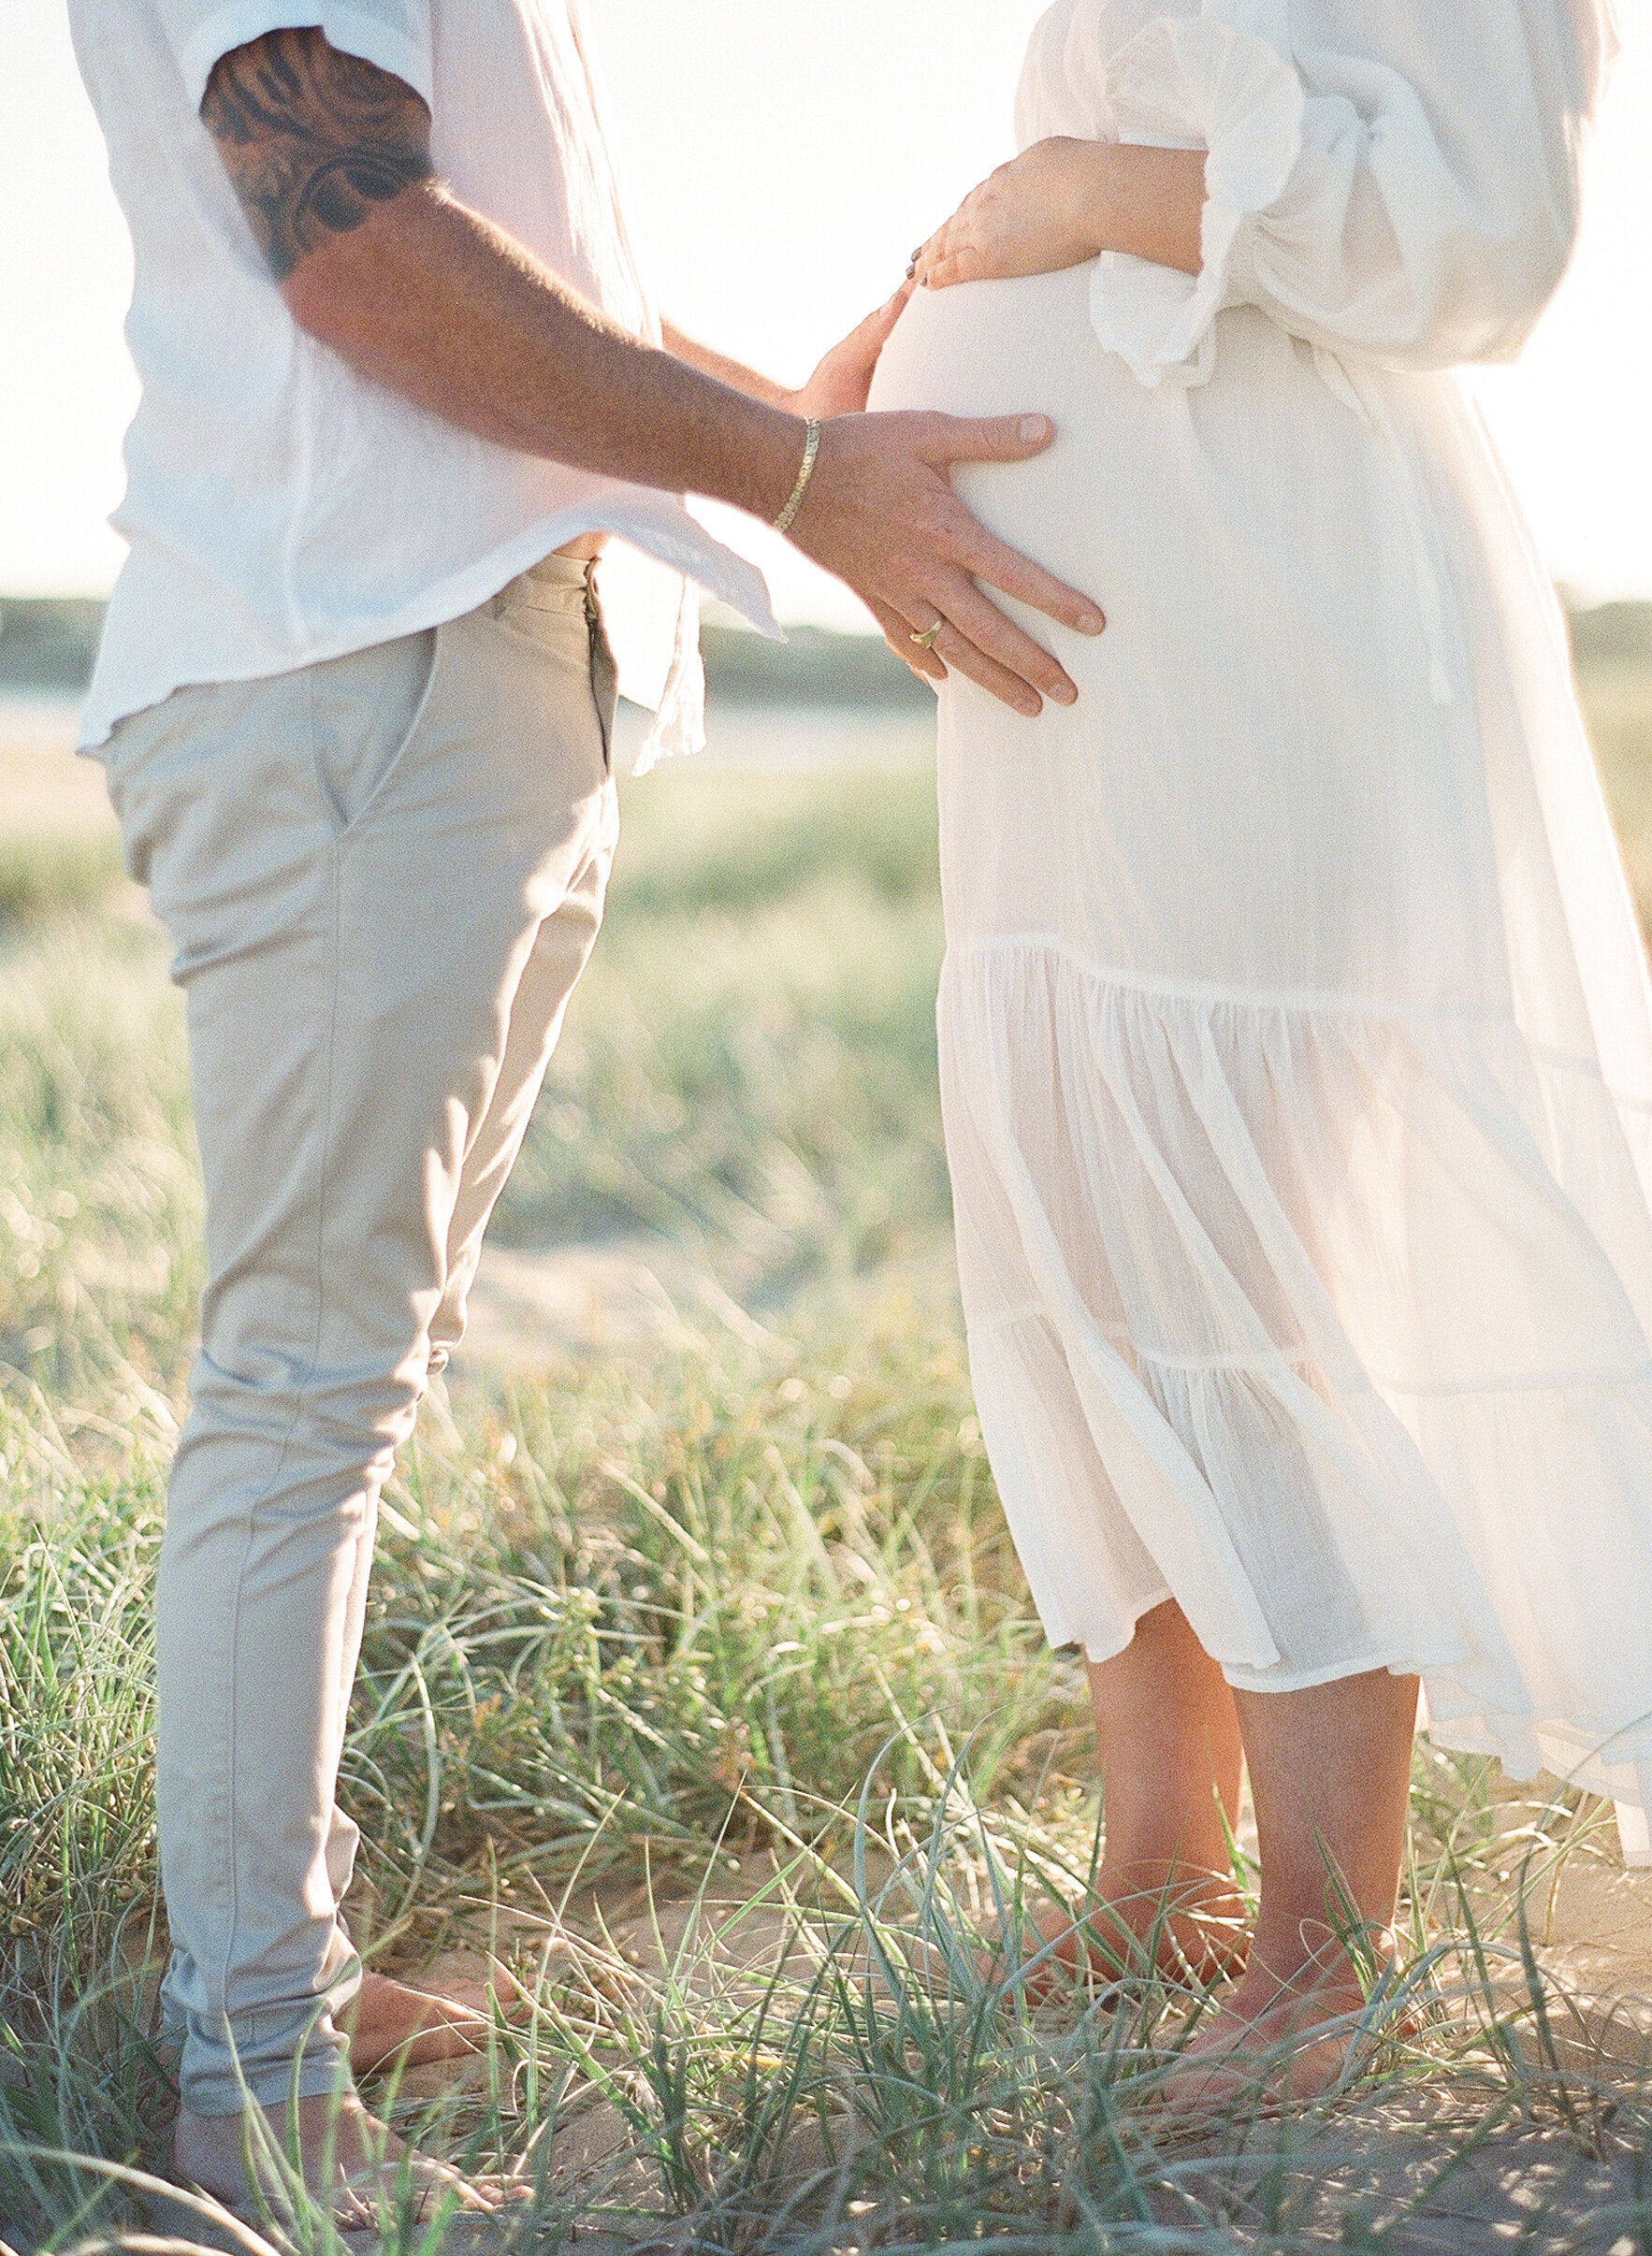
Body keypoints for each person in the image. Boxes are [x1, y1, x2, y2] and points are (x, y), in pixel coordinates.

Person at [66, 0, 1109, 2219]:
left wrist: (805, 426)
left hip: (455, 666)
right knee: (305, 1386)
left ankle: (288, 1983)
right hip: (353, 679)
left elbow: (536, 279)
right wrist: (800, 478)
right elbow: (359, 249)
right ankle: (250, 2087)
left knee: (357, 1370)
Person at [871, 0, 1645, 2104]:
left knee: (1240, 1239)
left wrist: (1079, 201)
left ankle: (1324, 1952)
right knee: (1084, 1218)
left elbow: (1487, 234)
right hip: (1082, 611)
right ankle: (1157, 1872)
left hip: (1261, 589)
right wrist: (905, 333)